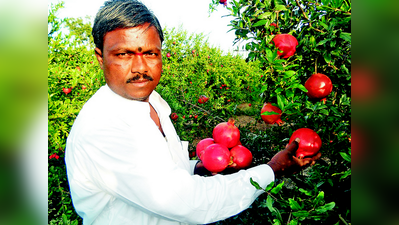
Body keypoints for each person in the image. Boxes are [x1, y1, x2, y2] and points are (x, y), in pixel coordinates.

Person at [65, 0, 321, 224]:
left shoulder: (152, 101)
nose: (140, 67)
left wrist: (198, 168)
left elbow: (160, 170)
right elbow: (184, 201)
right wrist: (272, 169)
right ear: (100, 57)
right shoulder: (102, 127)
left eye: (151, 53)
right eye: (124, 54)